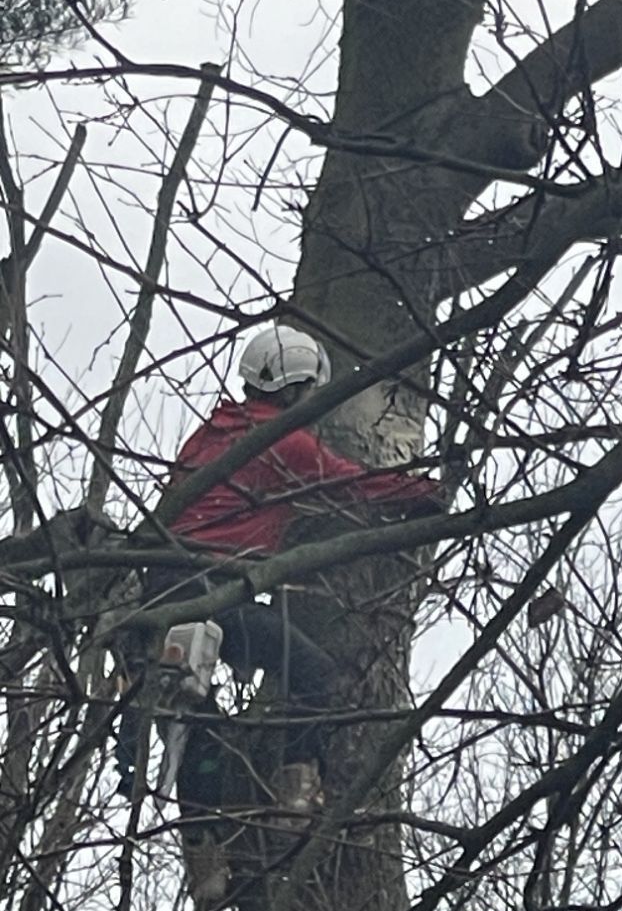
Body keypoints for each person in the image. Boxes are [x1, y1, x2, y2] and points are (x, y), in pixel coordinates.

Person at [115, 325, 443, 808]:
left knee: (194, 720)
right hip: (213, 588)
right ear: (297, 388)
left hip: (163, 589)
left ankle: (203, 849)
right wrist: (423, 493)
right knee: (314, 673)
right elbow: (350, 482)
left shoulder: (208, 436)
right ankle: (298, 780)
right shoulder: (282, 442)